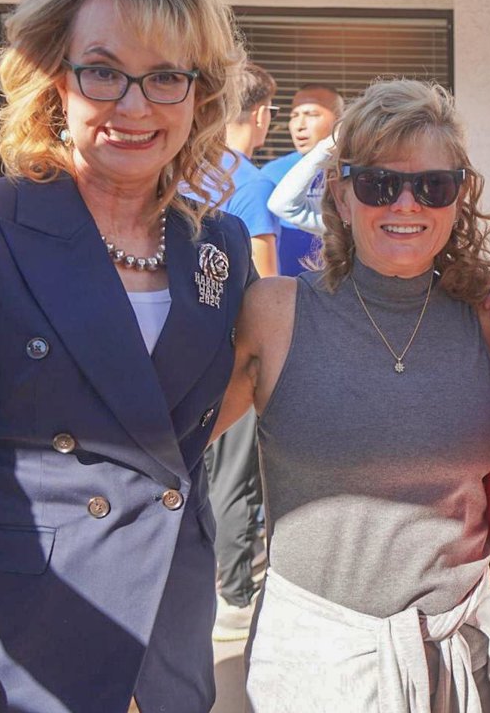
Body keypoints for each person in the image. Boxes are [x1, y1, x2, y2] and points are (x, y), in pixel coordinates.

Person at [0, 0, 250, 713]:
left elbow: (184, 434)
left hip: (172, 645)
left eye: (165, 77)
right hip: (26, 645)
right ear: (57, 80)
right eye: (103, 71)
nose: (134, 105)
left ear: (198, 94)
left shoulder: (215, 244)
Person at [220, 78, 490, 711]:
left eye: (433, 185)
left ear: (459, 196)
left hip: (461, 652)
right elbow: (166, 445)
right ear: (340, 192)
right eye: (379, 184)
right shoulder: (277, 315)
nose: (406, 204)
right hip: (319, 658)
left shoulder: (485, 320)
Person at [204, 62, 280, 641]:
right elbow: (267, 282)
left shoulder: (189, 168)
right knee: (237, 477)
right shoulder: (249, 181)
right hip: (239, 354)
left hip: (190, 350)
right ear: (261, 116)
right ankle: (235, 594)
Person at [261, 83, 344, 275]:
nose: (300, 126)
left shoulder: (354, 172)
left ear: (339, 121)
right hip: (287, 289)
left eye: (312, 115)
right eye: (294, 116)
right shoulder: (270, 174)